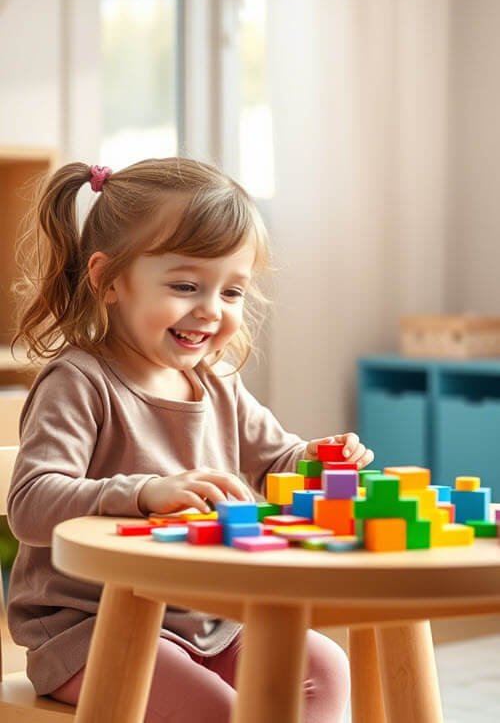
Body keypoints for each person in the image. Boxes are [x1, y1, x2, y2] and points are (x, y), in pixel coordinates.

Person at [7, 158, 374, 723]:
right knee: (222, 712)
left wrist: (320, 460)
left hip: (210, 621)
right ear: (108, 279)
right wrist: (144, 491)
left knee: (324, 666)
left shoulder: (218, 381)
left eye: (232, 291)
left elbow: (276, 464)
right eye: (185, 285)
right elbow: (31, 505)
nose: (211, 311)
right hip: (91, 629)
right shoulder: (79, 381)